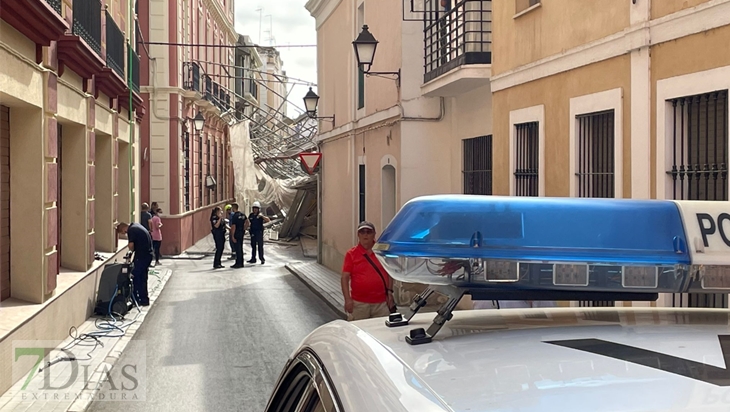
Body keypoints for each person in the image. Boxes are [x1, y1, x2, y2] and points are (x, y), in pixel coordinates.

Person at [341, 221, 395, 321]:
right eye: (362, 232)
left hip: (381, 303)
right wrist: (347, 299)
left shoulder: (381, 252)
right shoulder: (351, 254)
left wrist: (390, 292)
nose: (365, 234)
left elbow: (389, 272)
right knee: (358, 333)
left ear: (374, 234)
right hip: (359, 304)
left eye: (369, 232)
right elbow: (344, 278)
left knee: (382, 332)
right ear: (358, 235)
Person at [116, 221, 154, 306]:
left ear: (123, 228)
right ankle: (144, 299)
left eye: (123, 232)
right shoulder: (136, 225)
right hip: (148, 254)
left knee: (135, 276)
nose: (125, 234)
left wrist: (130, 253)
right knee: (143, 277)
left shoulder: (131, 230)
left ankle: (135, 298)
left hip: (142, 256)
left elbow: (131, 245)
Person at [229, 203, 248, 268]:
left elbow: (233, 226)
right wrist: (244, 229)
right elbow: (248, 222)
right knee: (240, 247)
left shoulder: (235, 216)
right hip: (241, 233)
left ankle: (238, 263)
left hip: (236, 233)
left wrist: (232, 236)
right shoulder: (243, 215)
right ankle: (241, 262)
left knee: (237, 248)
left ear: (233, 208)